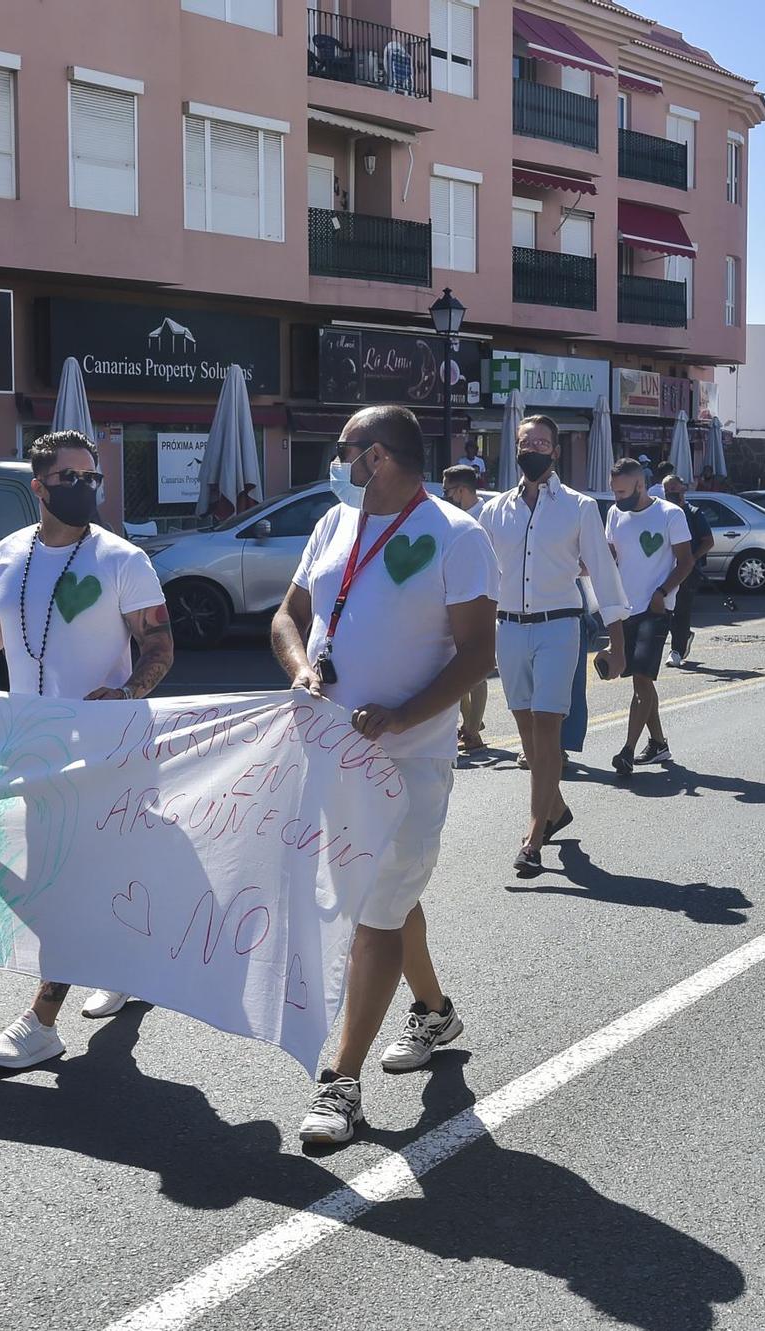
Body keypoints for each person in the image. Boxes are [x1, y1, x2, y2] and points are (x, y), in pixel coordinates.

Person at [0, 430, 173, 1067]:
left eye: (91, 477)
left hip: (103, 747)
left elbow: (159, 647)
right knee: (82, 873)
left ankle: (42, 1019)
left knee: (61, 881)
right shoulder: (9, 553)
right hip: (32, 746)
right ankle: (123, 966)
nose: (83, 488)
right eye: (69, 478)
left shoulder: (122, 559)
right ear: (39, 487)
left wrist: (128, 692)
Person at [272, 405, 498, 1145]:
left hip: (411, 758)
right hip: (335, 749)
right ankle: (434, 1012)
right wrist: (303, 667)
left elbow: (474, 656)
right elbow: (288, 615)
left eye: (345, 451)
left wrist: (402, 716)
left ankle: (340, 1080)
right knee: (383, 894)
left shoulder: (458, 537)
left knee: (375, 908)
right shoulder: (334, 525)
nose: (336, 463)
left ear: (379, 457)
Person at [475, 416, 627, 875]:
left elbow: (604, 573)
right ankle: (556, 809)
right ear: (516, 449)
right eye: (526, 442)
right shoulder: (494, 510)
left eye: (542, 442)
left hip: (560, 627)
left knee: (547, 730)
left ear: (555, 451)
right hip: (508, 628)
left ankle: (534, 834)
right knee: (525, 731)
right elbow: (478, 577)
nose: (534, 448)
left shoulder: (579, 507)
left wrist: (616, 642)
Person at [604, 459, 694, 777]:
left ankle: (627, 751)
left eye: (622, 491)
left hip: (656, 609)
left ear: (640, 485)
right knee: (638, 679)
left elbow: (686, 561)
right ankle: (658, 743)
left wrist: (662, 592)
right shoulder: (615, 514)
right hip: (625, 608)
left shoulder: (670, 514)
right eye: (614, 491)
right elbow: (613, 554)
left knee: (642, 679)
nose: (617, 498)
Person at [441, 464, 491, 752]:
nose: (446, 497)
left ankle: (473, 730)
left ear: (461, 490)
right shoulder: (453, 518)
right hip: (454, 597)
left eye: (448, 491)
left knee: (476, 667)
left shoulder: (487, 517)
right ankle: (470, 722)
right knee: (452, 663)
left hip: (482, 598)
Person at [658, 471, 717, 667]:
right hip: (665, 569)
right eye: (667, 490)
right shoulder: (662, 513)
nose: (671, 493)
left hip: (688, 570)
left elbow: (708, 541)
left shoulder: (693, 513)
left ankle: (676, 650)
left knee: (681, 610)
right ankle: (681, 639)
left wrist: (690, 558)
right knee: (665, 609)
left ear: (683, 489)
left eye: (673, 489)